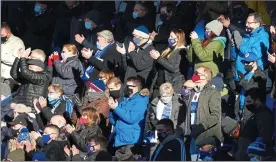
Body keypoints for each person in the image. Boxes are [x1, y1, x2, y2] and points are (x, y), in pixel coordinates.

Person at [182, 66, 222, 158]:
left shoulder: (213, 93)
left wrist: (201, 126)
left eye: (197, 73)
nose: (194, 75)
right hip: (191, 135)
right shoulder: (192, 92)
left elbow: (215, 115)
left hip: (205, 136)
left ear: (205, 77)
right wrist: (185, 89)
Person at [108, 77, 149, 161]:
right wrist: (112, 109)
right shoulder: (125, 100)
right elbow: (115, 122)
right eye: (126, 86)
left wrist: (116, 108)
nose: (126, 88)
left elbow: (131, 118)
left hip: (130, 142)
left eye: (129, 86)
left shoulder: (141, 101)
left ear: (136, 88)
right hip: (120, 140)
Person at [235, 88, 274, 160]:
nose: (247, 104)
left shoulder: (264, 115)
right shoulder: (256, 113)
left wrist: (255, 156)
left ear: (258, 101)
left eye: (250, 101)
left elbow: (264, 137)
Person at [150, 29, 188, 97]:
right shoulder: (167, 50)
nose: (170, 39)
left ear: (179, 39)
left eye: (173, 37)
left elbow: (174, 69)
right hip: (158, 85)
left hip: (170, 86)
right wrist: (156, 58)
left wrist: (159, 58)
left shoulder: (182, 51)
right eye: (170, 37)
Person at [234, 13, 270, 79]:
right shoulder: (248, 34)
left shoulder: (263, 37)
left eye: (249, 23)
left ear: (258, 24)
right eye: (246, 22)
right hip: (241, 71)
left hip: (250, 75)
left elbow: (253, 55)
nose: (246, 24)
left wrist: (240, 46)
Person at [236, 52, 266, 125]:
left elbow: (251, 88)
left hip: (250, 112)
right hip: (241, 108)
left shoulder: (260, 75)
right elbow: (241, 90)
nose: (245, 64)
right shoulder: (246, 74)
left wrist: (242, 81)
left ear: (254, 62)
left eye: (248, 62)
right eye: (244, 62)